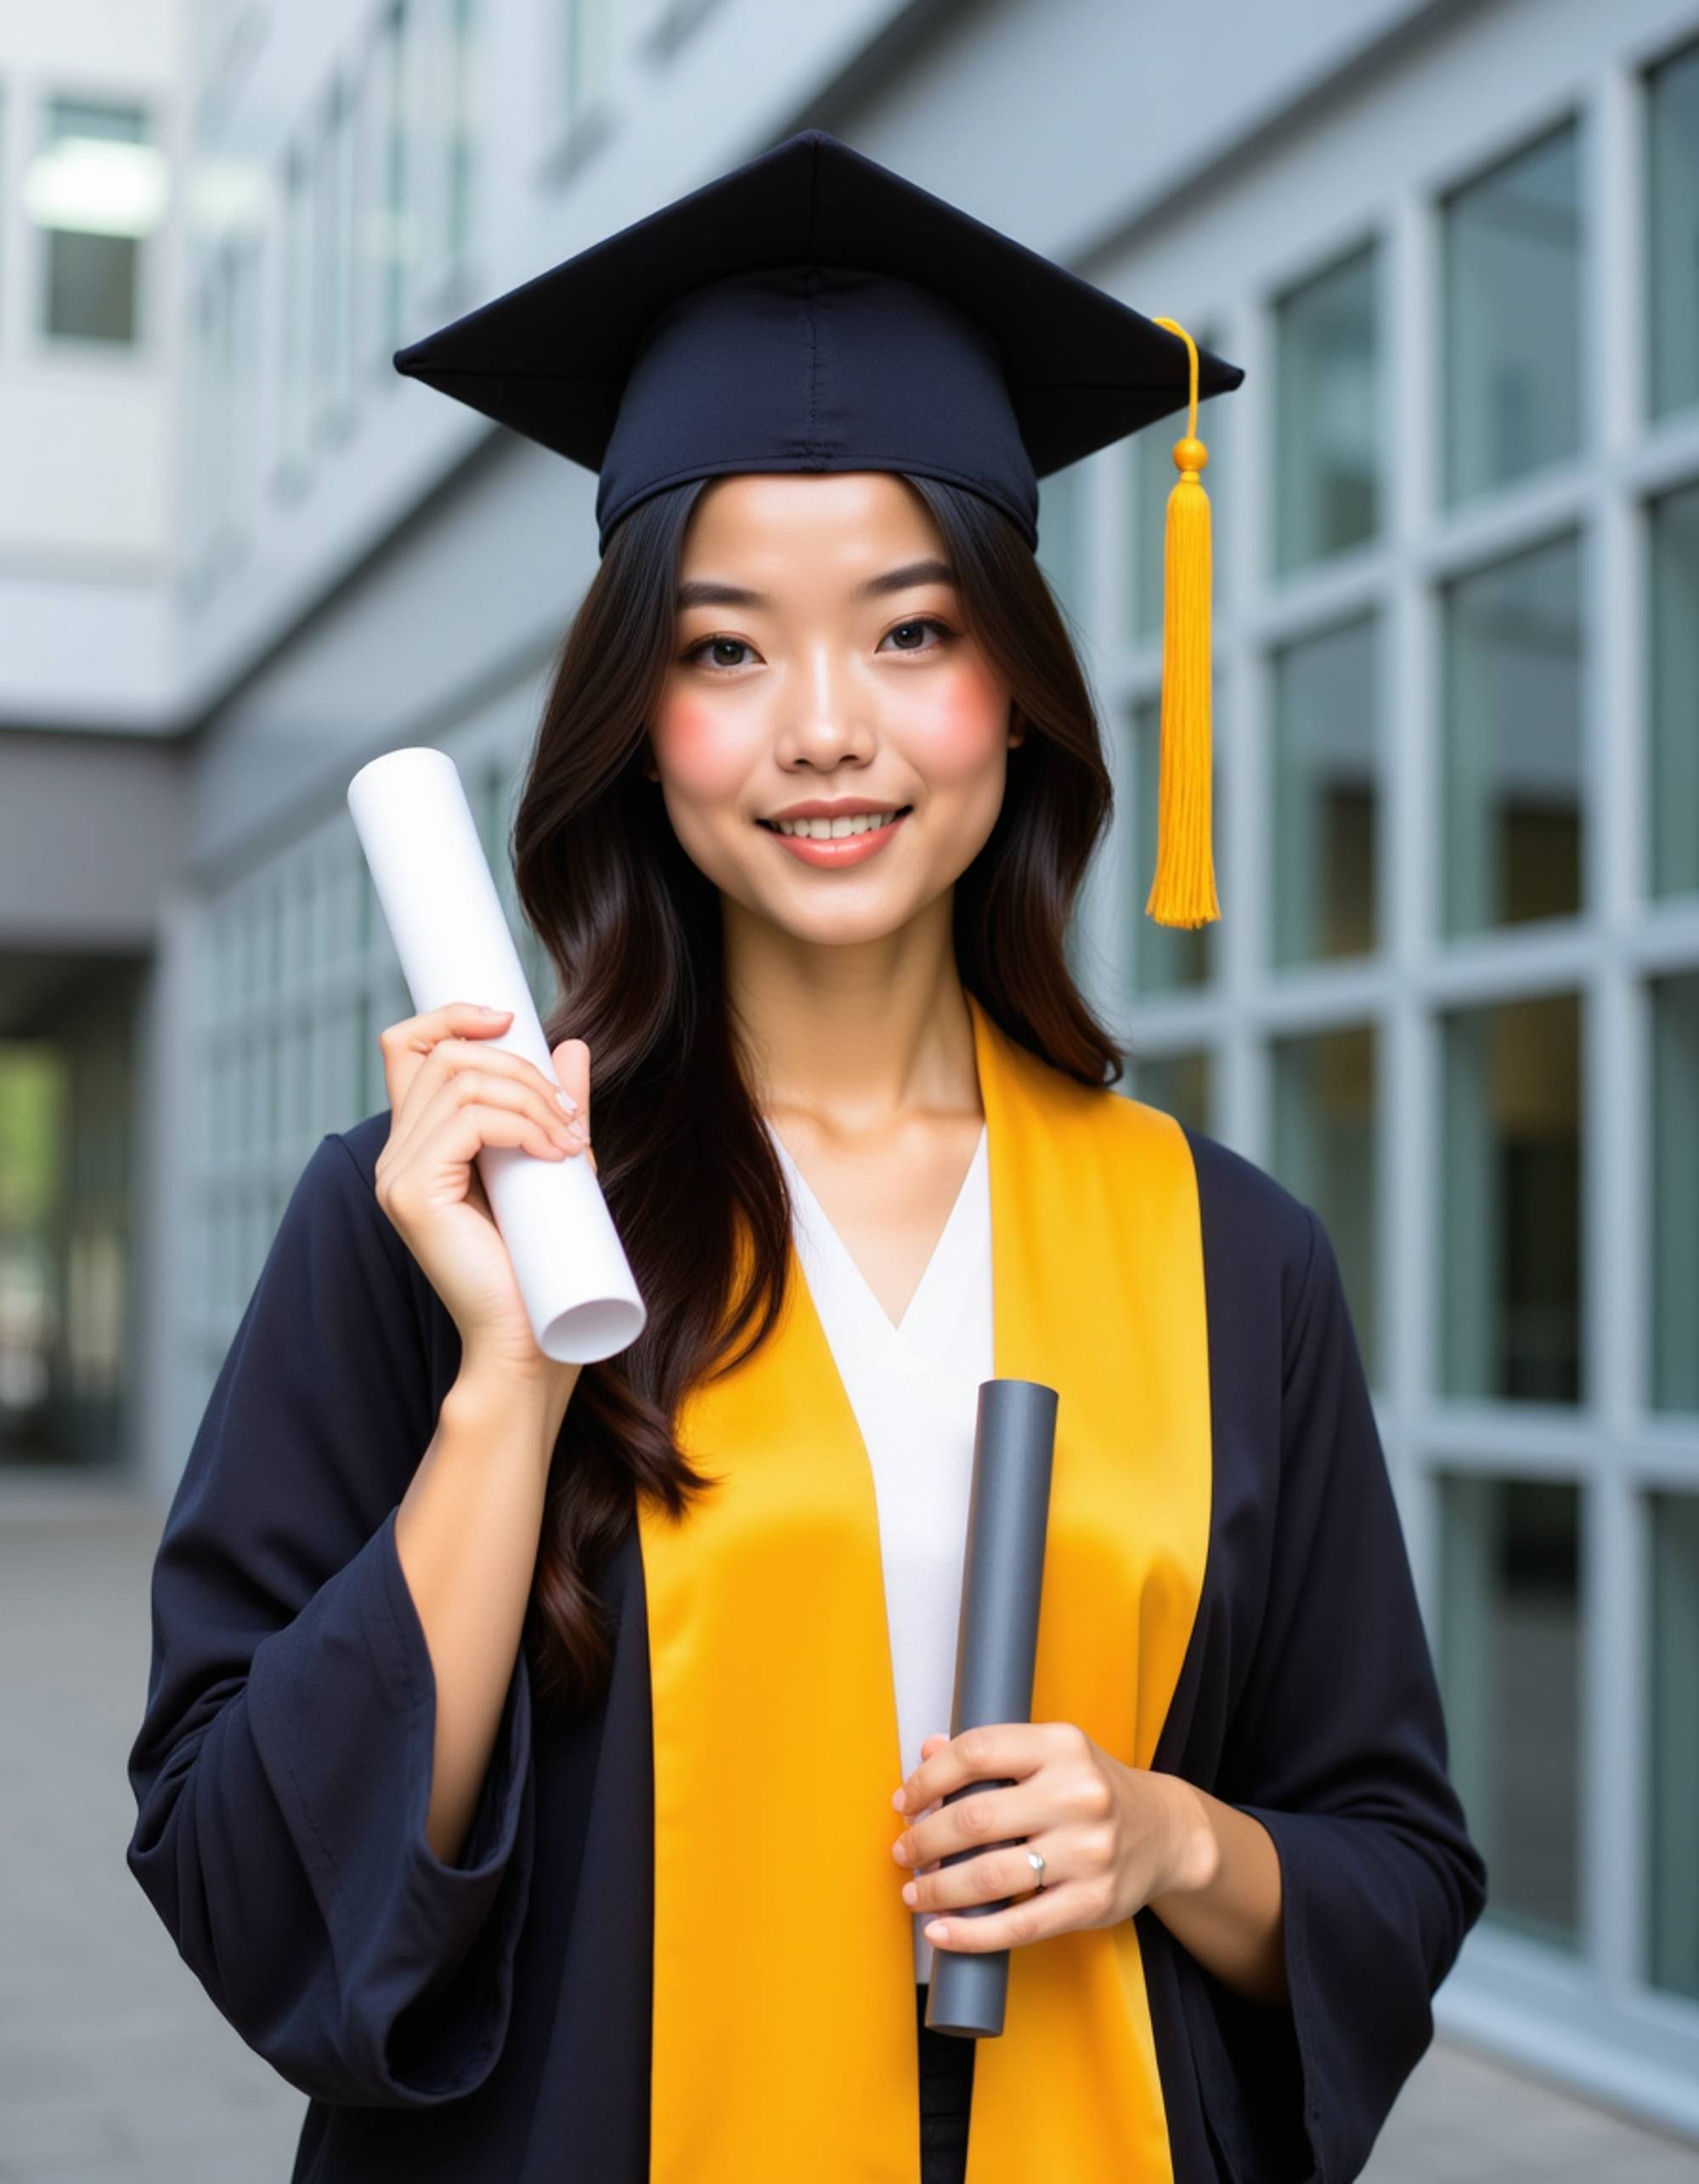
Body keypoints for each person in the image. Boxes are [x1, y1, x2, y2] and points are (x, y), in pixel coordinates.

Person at [124, 130, 1487, 2184]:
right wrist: (507, 1381)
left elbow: (1388, 1855)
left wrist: (1167, 1832)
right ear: (636, 713)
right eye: (727, 645)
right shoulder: (437, 1211)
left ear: (1017, 693)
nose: (824, 727)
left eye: (914, 632)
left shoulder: (1225, 1252)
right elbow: (249, 1883)